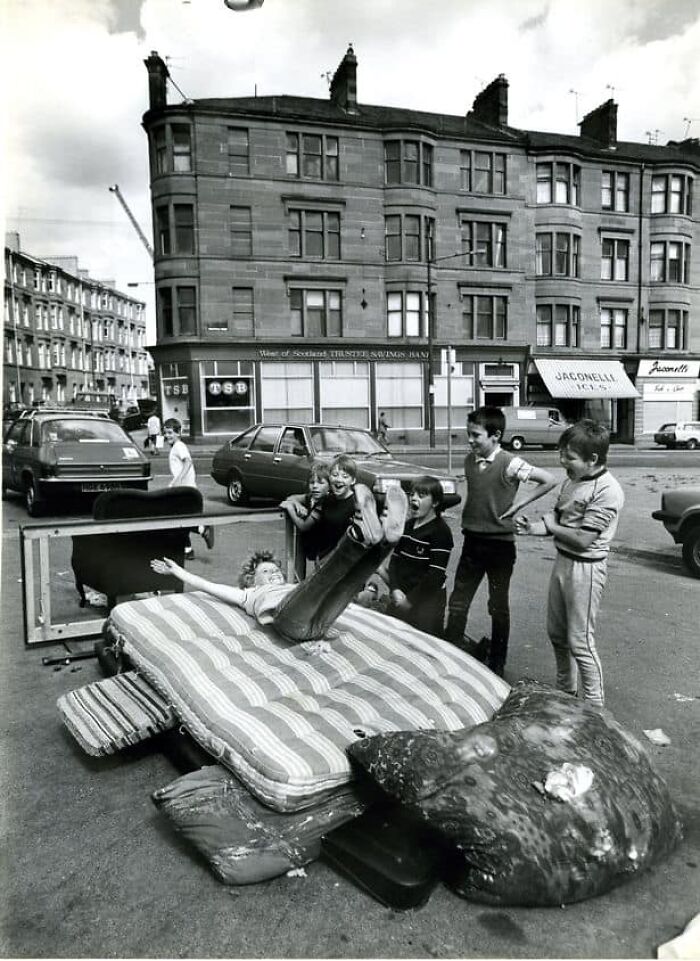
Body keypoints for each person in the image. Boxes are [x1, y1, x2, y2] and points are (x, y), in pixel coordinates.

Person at [151, 483, 409, 643]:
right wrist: (178, 571)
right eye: (267, 571)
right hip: (289, 622)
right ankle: (357, 537)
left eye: (275, 570)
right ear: (252, 579)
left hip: (320, 624)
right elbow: (207, 585)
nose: (274, 574)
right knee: (324, 580)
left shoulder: (289, 586)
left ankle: (386, 541)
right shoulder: (248, 594)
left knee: (347, 586)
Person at [514, 420, 624, 708]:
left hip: (585, 569)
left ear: (593, 459)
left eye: (570, 457)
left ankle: (594, 708)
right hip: (563, 562)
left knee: (581, 642)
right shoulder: (571, 482)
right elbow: (557, 524)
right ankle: (566, 694)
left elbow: (583, 539)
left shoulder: (607, 490)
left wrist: (551, 525)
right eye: (561, 453)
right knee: (557, 635)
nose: (562, 461)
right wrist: (533, 528)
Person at [444, 406, 557, 677]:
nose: (470, 440)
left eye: (476, 435)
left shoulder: (510, 462)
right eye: (468, 434)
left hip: (500, 546)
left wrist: (519, 503)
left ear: (495, 436)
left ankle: (497, 664)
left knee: (497, 606)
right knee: (458, 601)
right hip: (472, 540)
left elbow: (549, 480)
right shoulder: (470, 461)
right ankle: (449, 656)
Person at [357, 476, 454, 637]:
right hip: (400, 595)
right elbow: (394, 563)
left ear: (435, 503)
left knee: (422, 644)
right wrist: (395, 589)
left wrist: (409, 602)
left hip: (426, 601)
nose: (414, 498)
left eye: (421, 496)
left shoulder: (441, 532)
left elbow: (435, 575)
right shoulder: (407, 526)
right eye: (413, 494)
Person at [163, 417, 215, 558]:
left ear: (179, 433)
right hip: (185, 490)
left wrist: (178, 480)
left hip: (185, 491)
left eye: (170, 433)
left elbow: (188, 462)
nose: (167, 436)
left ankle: (201, 530)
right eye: (166, 433)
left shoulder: (179, 446)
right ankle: (189, 548)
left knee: (178, 521)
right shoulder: (176, 447)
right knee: (180, 520)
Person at [280, 461, 331, 568]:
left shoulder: (326, 502)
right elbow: (291, 497)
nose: (315, 486)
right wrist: (297, 504)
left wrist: (291, 509)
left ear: (329, 486)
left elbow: (304, 526)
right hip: (311, 545)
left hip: (325, 548)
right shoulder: (310, 497)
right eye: (312, 483)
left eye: (321, 483)